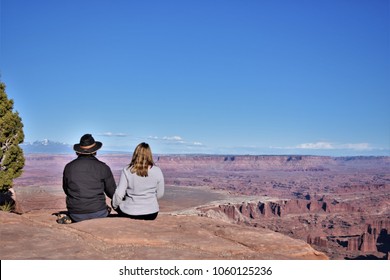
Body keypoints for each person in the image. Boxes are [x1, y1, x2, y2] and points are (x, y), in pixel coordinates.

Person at [60, 134, 116, 223]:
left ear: (78, 151)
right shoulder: (103, 167)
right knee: (107, 209)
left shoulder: (69, 167)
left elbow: (66, 189)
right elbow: (112, 192)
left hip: (75, 213)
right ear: (95, 151)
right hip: (99, 212)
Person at [112, 142, 164, 220]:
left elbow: (119, 193)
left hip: (129, 212)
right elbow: (160, 194)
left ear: (135, 154)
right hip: (151, 213)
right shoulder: (157, 171)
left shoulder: (127, 170)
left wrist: (115, 206)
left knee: (116, 203)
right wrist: (149, 200)